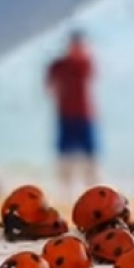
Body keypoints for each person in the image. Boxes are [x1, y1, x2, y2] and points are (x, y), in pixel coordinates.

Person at [45, 30, 99, 199]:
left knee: (90, 154)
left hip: (85, 114)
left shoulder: (85, 63)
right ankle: (65, 190)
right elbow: (49, 85)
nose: (76, 48)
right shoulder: (58, 65)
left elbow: (90, 74)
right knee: (64, 153)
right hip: (66, 114)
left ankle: (93, 189)